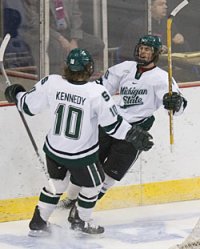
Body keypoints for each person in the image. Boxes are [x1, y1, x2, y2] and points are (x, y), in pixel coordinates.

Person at [4, 48, 153, 236]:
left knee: (57, 184)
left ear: (67, 67)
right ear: (89, 68)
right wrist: (133, 135)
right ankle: (81, 222)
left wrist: (16, 93)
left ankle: (38, 223)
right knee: (94, 185)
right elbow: (113, 126)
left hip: (54, 150)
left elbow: (28, 106)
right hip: (80, 155)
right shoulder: (96, 92)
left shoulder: (52, 82)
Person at [58, 35, 187, 213]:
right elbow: (100, 89)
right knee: (87, 165)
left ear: (155, 54)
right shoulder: (124, 68)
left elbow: (177, 110)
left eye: (147, 49)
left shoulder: (162, 78)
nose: (142, 51)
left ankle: (79, 212)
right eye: (141, 48)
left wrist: (175, 102)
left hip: (135, 132)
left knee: (109, 176)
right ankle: (70, 200)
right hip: (111, 124)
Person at [119, 0, 187, 62]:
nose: (165, 7)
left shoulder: (168, 24)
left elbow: (178, 49)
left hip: (166, 65)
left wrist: (181, 41)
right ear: (150, 7)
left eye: (165, 4)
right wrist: (152, 50)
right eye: (160, 4)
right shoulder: (136, 26)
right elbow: (128, 53)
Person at [49, 0, 104, 74]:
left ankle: (84, 72)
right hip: (51, 35)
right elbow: (37, 23)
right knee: (58, 49)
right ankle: (62, 77)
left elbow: (76, 16)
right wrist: (60, 38)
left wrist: (74, 40)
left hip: (69, 32)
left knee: (97, 44)